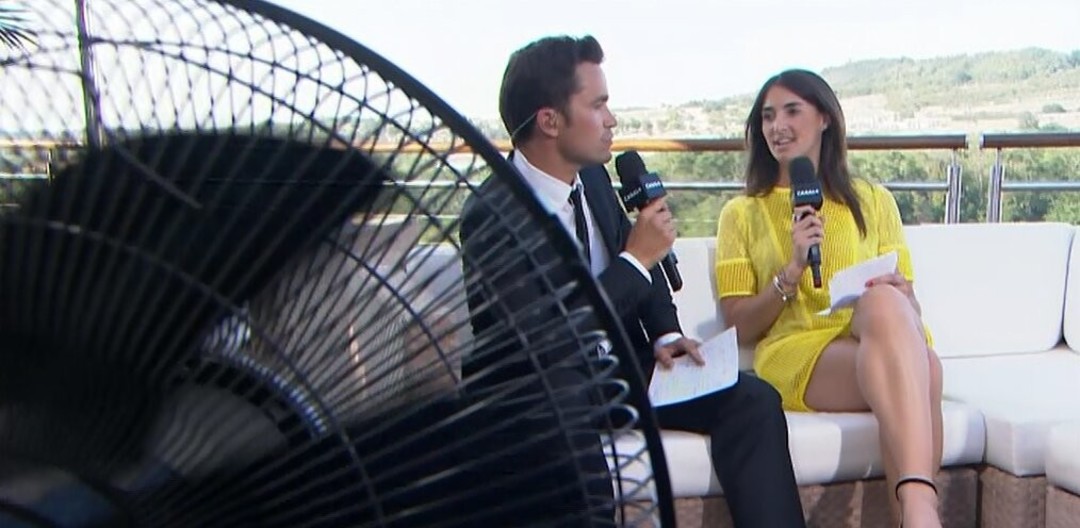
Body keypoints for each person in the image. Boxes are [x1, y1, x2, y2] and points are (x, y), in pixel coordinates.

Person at [460, 35, 805, 527]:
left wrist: (665, 334)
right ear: (550, 121)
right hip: (537, 392)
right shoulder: (492, 215)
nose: (612, 119)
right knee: (567, 434)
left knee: (752, 401)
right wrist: (634, 260)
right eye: (598, 105)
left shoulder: (593, 179)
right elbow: (547, 339)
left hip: (616, 373)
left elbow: (645, 260)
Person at [715, 68, 943, 528]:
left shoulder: (874, 200)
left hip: (872, 333)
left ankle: (916, 512)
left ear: (824, 119)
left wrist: (901, 294)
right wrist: (791, 271)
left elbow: (911, 307)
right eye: (767, 116)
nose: (777, 126)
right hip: (795, 350)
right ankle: (920, 510)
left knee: (886, 305)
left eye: (791, 111)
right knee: (927, 372)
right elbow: (738, 325)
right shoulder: (741, 213)